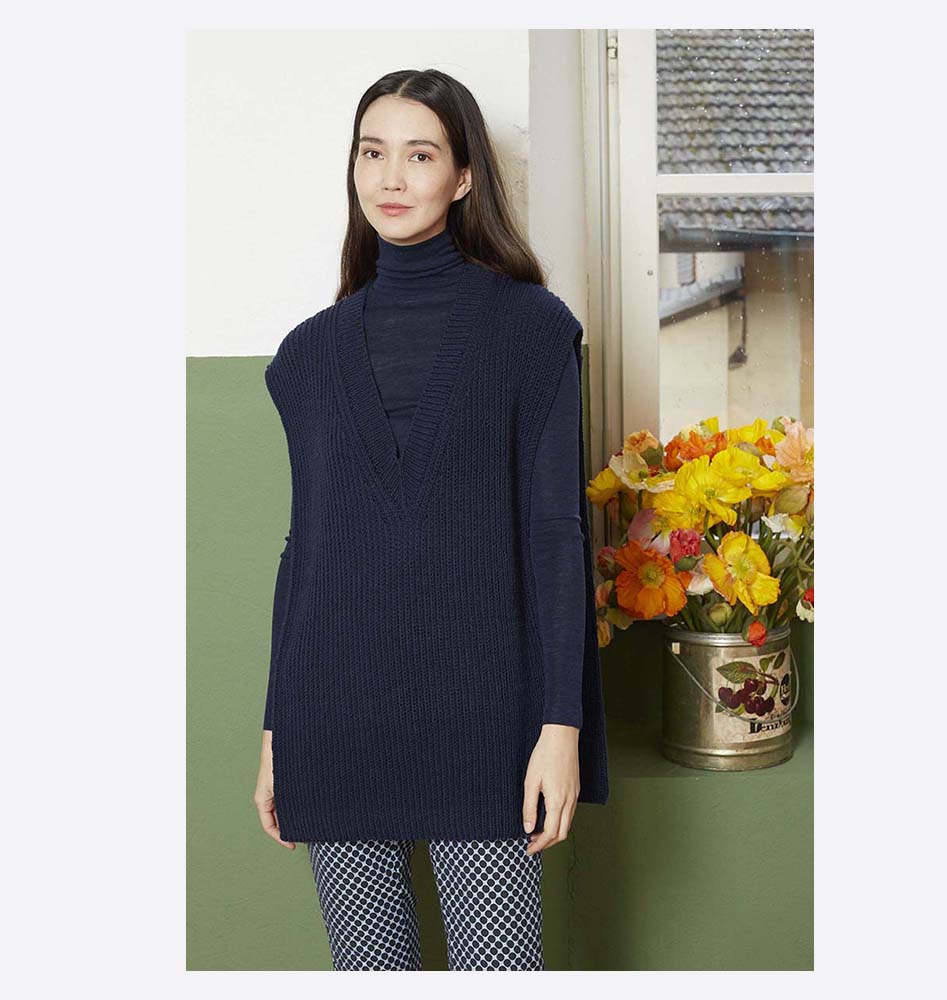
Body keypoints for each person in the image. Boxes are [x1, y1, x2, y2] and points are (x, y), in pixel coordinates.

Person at [252, 68, 609, 972]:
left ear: (463, 177)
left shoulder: (532, 332)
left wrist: (560, 727)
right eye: (372, 153)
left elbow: (556, 537)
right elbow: (306, 555)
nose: (390, 177)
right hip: (332, 717)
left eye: (419, 155)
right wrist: (275, 736)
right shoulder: (307, 357)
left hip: (486, 718)